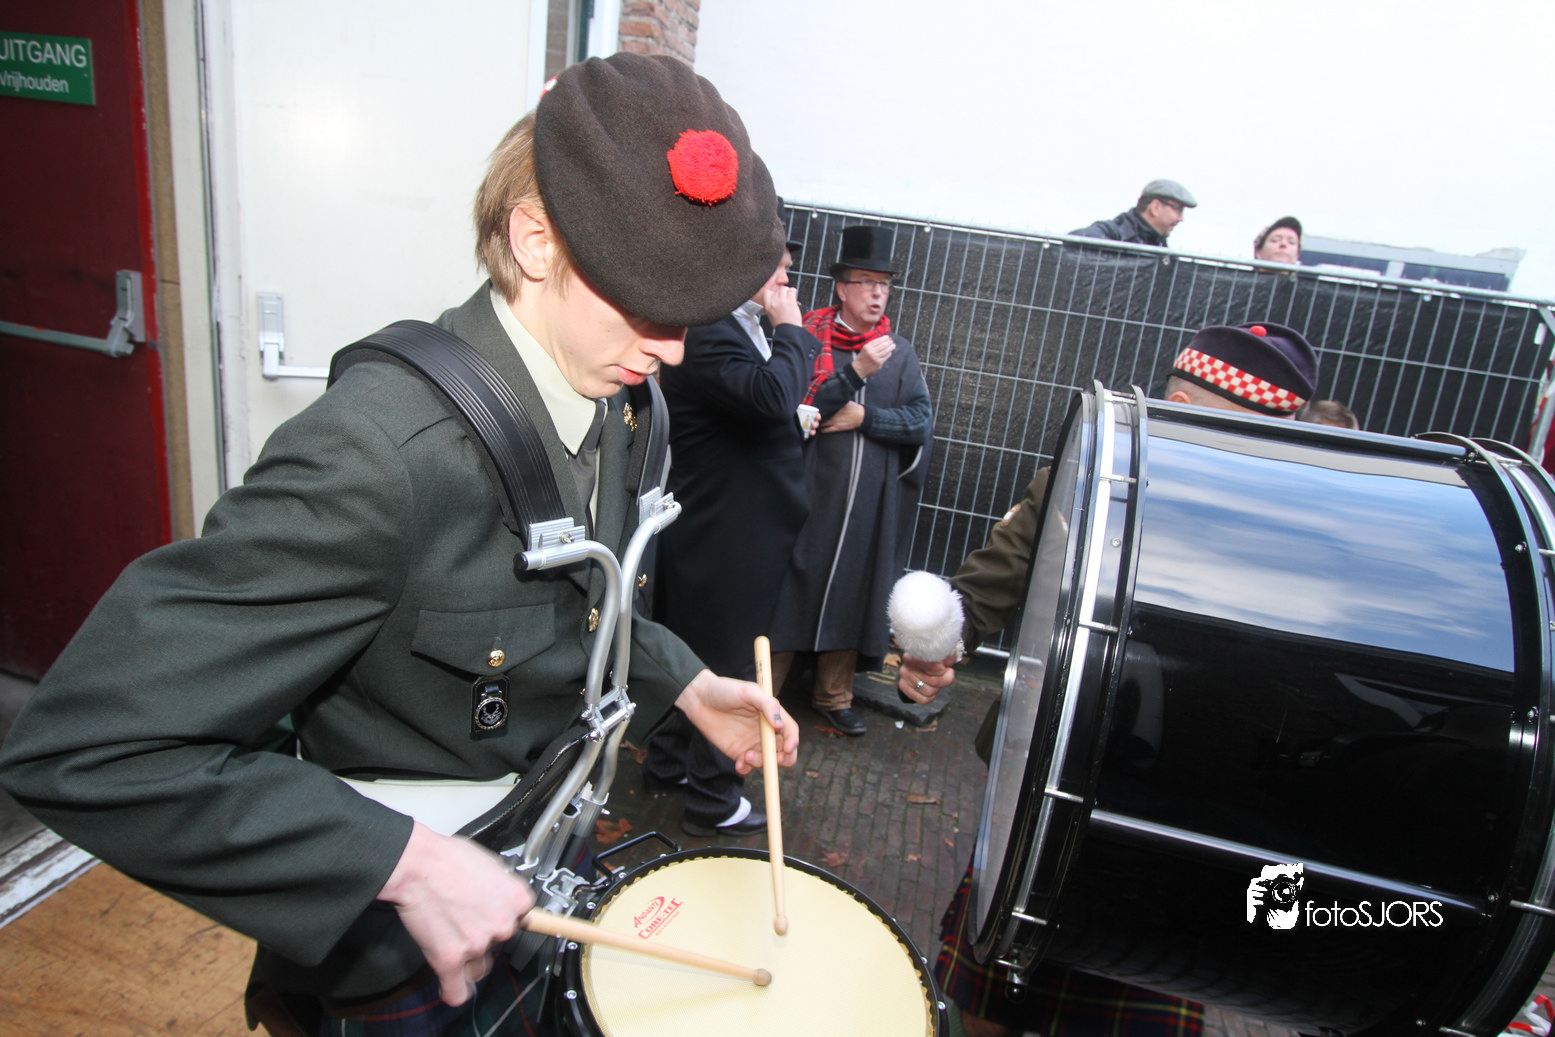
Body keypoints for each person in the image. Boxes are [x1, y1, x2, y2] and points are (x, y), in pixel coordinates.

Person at [0, 53, 799, 1037]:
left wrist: (685, 683)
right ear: (535, 242)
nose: (673, 348)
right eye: (645, 299)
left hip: (544, 857)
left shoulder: (620, 401)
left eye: (689, 313)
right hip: (399, 937)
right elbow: (86, 744)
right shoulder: (378, 454)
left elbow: (572, 596)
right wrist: (406, 864)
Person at [899, 322, 1320, 1037]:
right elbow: (992, 581)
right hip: (1051, 785)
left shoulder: (1292, 529)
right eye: (1244, 435)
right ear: (1181, 404)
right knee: (988, 1007)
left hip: (1180, 817)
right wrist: (940, 643)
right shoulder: (1090, 478)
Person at [644, 208, 820, 837]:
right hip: (728, 531)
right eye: (777, 268)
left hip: (730, 523)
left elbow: (756, 406)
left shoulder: (728, 325)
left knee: (696, 648)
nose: (786, 281)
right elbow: (769, 396)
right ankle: (713, 800)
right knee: (731, 659)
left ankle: (668, 765)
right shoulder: (709, 327)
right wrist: (793, 330)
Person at [767, 225, 934, 737]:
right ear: (842, 288)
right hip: (807, 497)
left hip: (867, 505)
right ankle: (765, 693)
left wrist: (867, 419)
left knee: (852, 588)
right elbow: (794, 407)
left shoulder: (899, 352)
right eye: (866, 282)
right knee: (789, 590)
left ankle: (833, 696)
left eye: (885, 284)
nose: (878, 293)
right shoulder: (806, 337)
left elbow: (920, 421)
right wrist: (854, 375)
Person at [1070, 178, 1198, 247]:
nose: (1181, 218)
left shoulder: (1162, 251)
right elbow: (1075, 239)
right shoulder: (1115, 233)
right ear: (1155, 208)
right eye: (1178, 209)